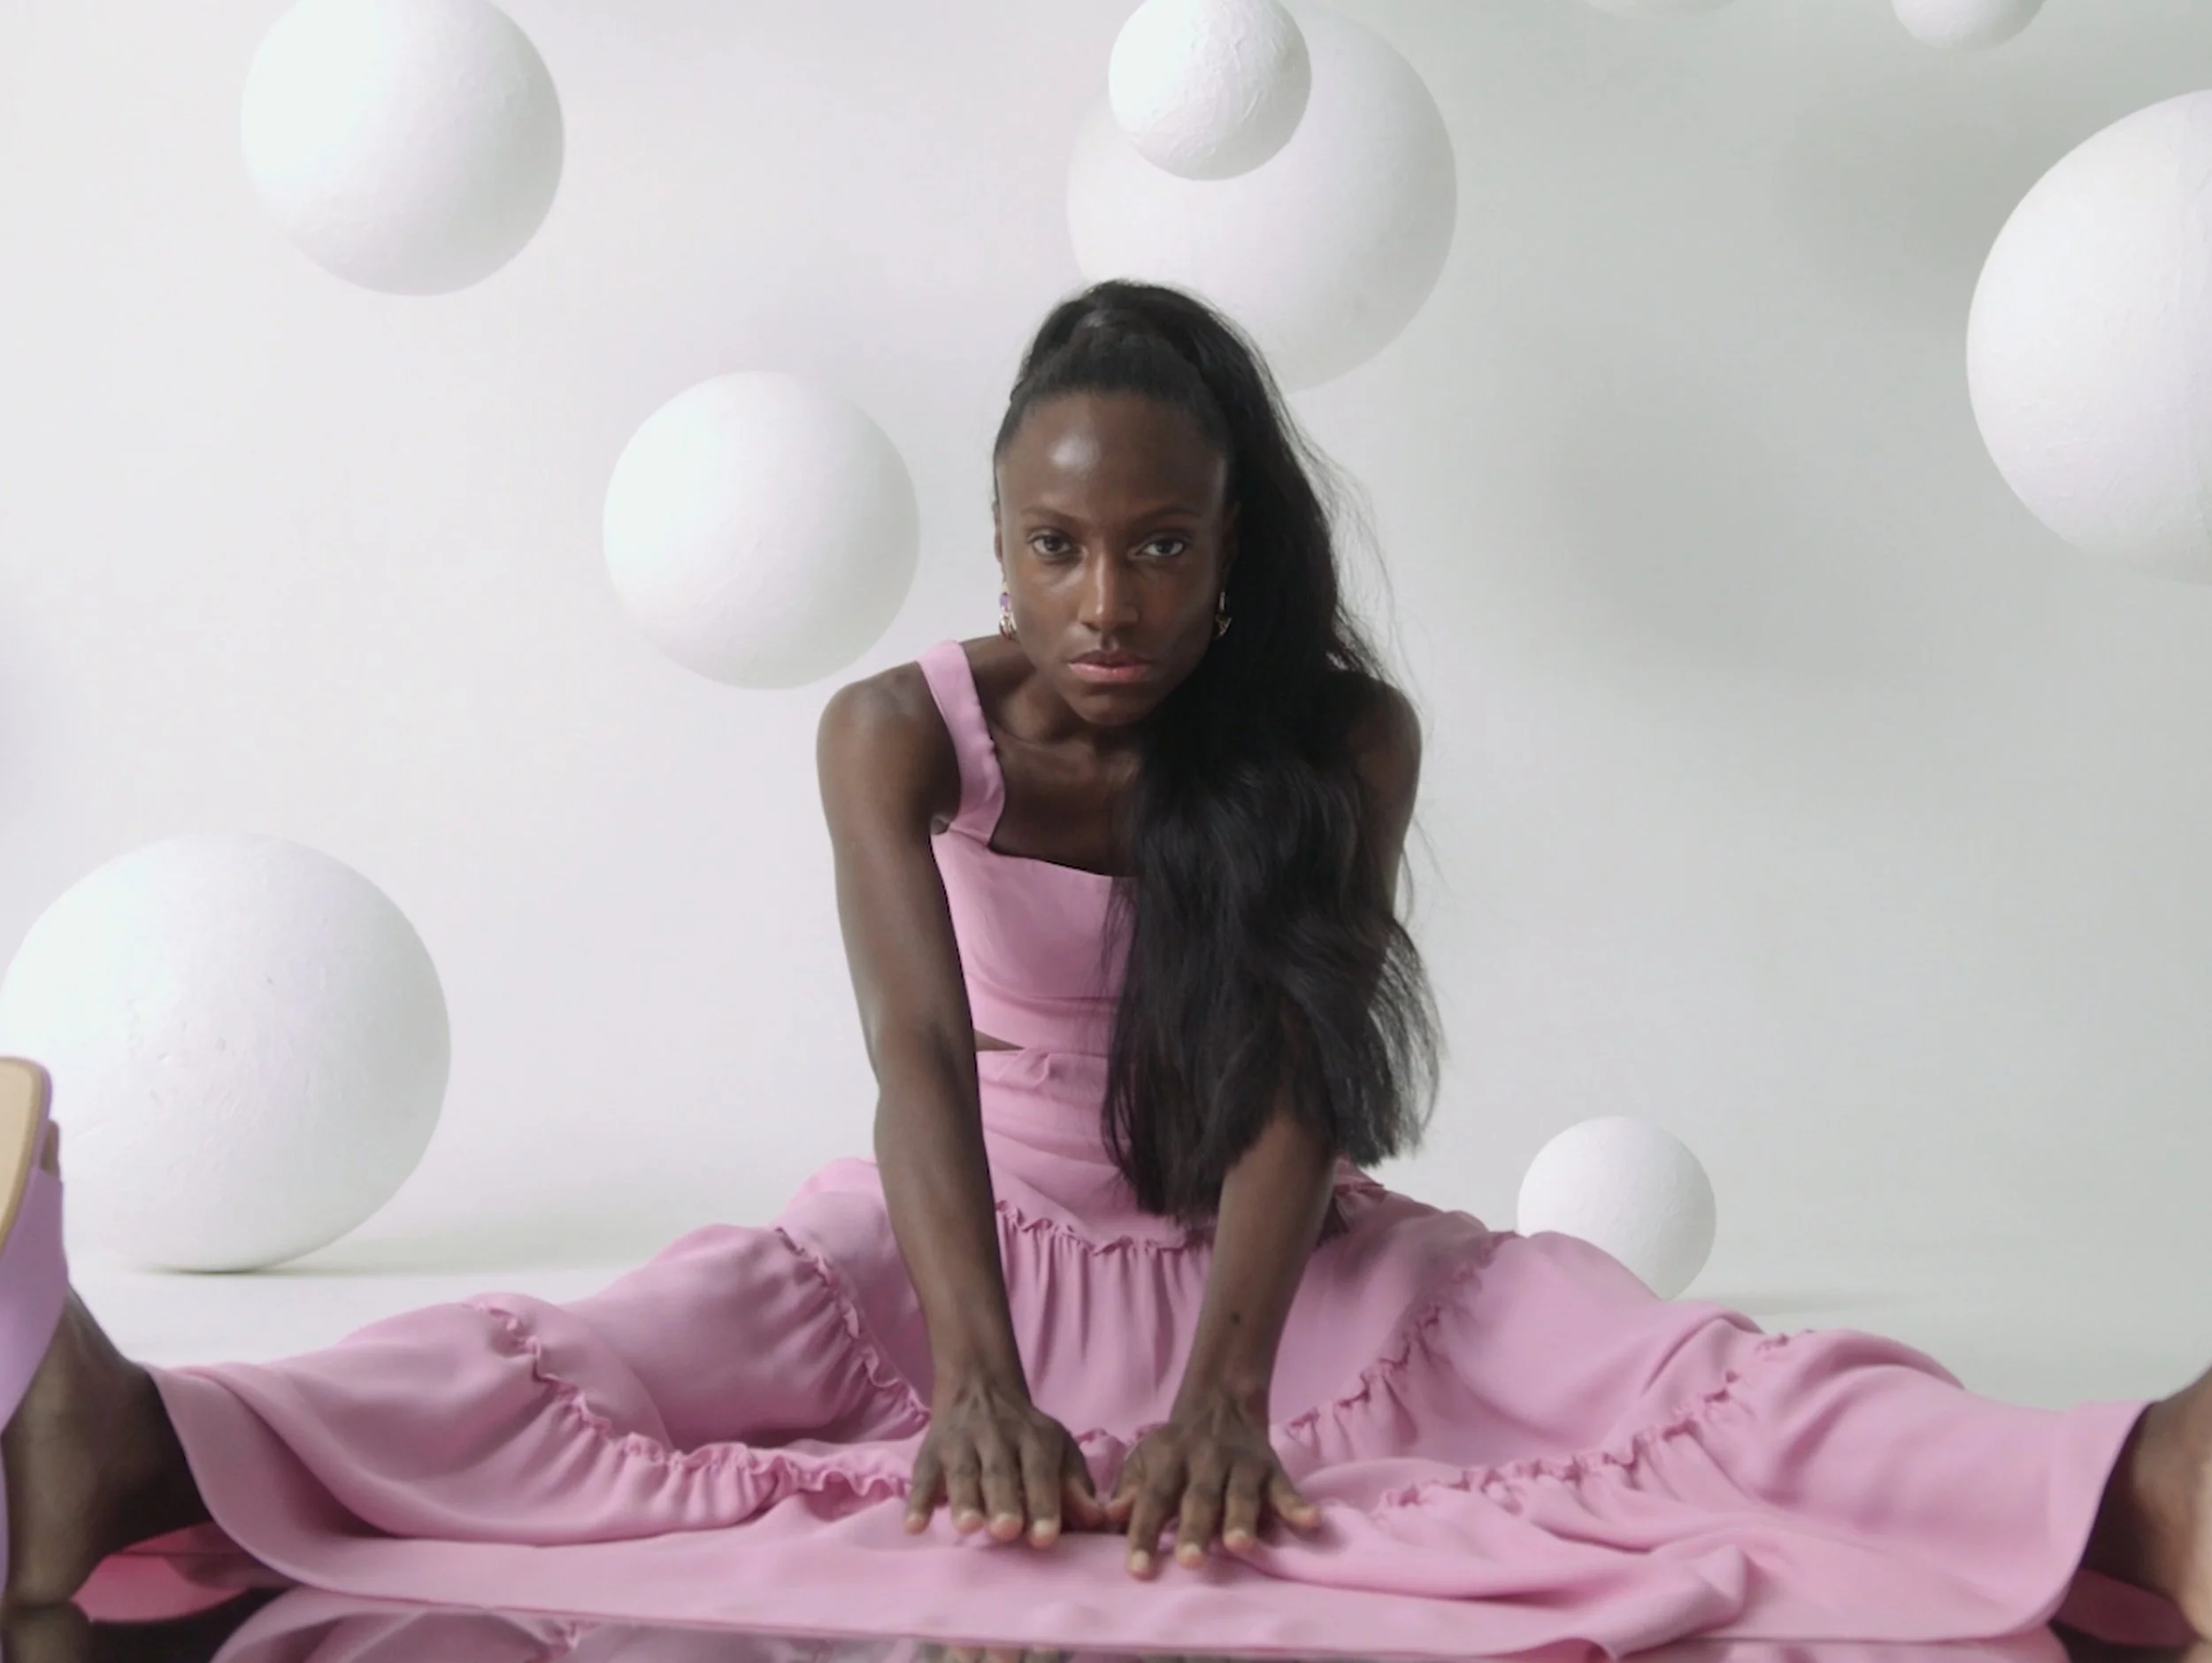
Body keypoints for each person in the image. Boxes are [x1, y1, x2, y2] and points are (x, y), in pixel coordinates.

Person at [0, 280, 2208, 1662]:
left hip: (1273, 1245)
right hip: (950, 1237)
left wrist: (1231, 1386)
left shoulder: (1335, 734)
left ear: (1231, 545)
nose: (1107, 601)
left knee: (1655, 1367)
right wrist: (969, 1373)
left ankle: (2138, 1485)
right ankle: (115, 1437)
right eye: (1057, 546)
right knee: (578, 1356)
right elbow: (912, 1063)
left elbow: (1293, 1084)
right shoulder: (891, 735)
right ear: (996, 539)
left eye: (1158, 545)